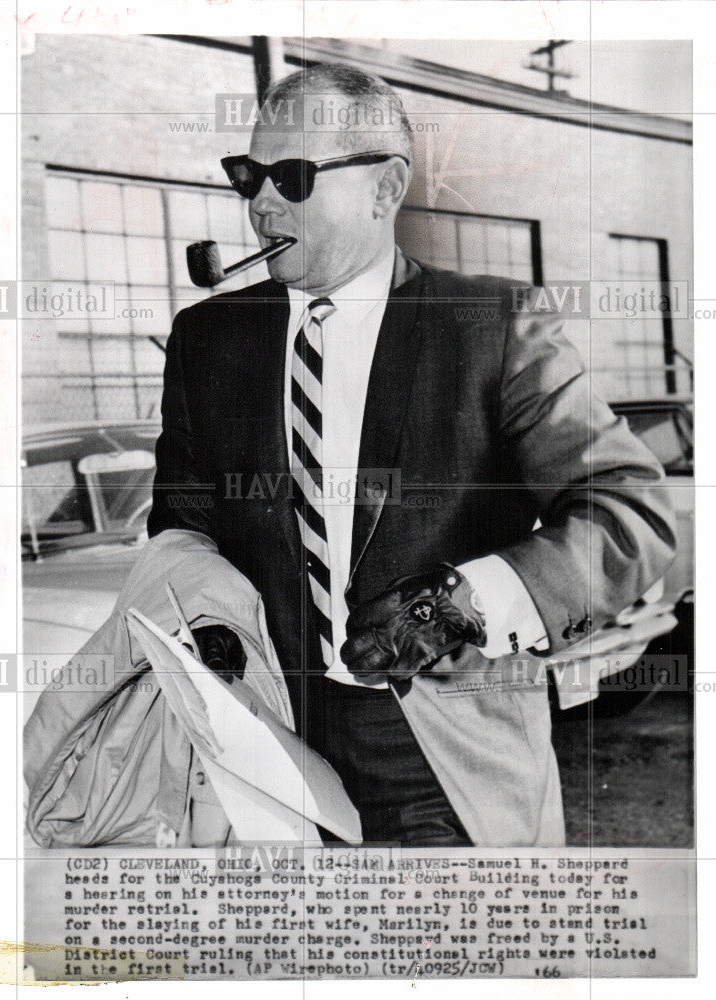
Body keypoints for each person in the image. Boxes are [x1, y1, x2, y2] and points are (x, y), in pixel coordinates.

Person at [148, 62, 676, 847]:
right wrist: (206, 616)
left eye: (290, 177)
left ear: (385, 189)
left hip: (444, 758)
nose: (259, 203)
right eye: (247, 175)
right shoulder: (208, 338)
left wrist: (467, 601)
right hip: (266, 747)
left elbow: (628, 512)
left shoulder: (493, 324)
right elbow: (180, 522)